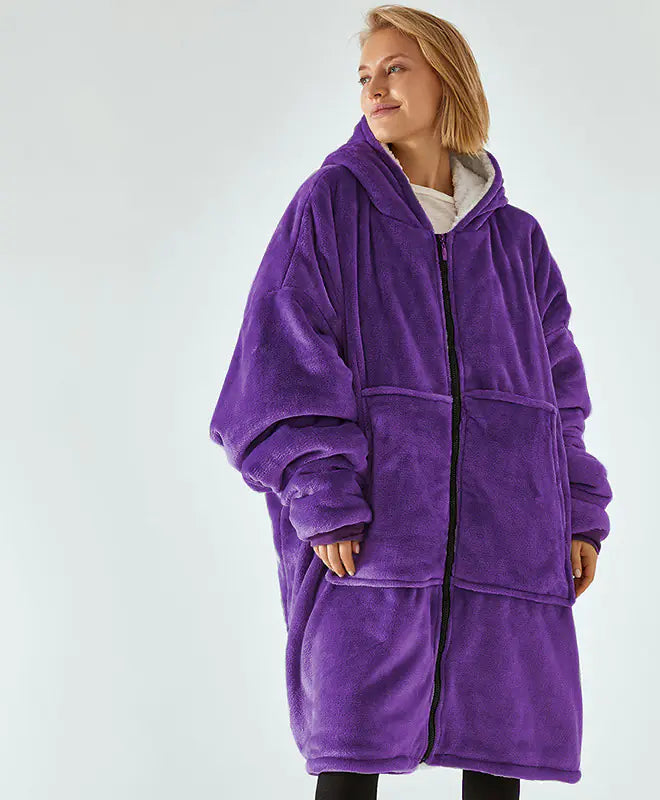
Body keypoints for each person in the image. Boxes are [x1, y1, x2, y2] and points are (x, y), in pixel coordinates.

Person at [209, 5, 613, 799]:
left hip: (509, 546)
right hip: (372, 540)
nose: (375, 88)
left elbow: (561, 395)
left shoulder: (516, 241)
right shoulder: (331, 206)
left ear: (446, 78)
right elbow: (278, 359)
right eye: (365, 75)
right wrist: (321, 491)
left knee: (497, 761)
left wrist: (576, 510)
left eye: (395, 68)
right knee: (349, 764)